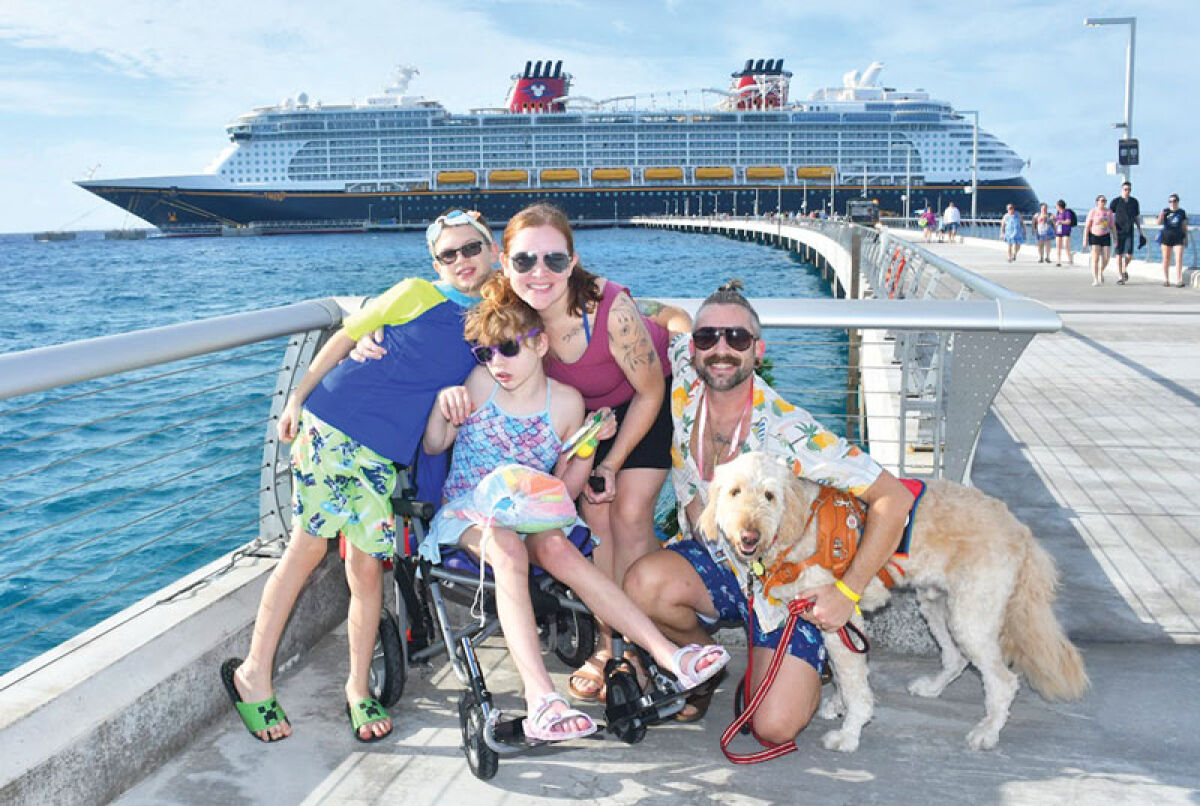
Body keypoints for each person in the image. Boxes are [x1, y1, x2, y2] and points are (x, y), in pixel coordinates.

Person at [220, 209, 499, 743]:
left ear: (492, 251)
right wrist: (296, 399)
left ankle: (355, 687)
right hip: (335, 423)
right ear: (434, 263)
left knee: (368, 571)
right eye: (449, 254)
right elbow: (347, 339)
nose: (461, 261)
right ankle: (255, 673)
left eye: (471, 249)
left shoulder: (496, 313)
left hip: (382, 453)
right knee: (306, 550)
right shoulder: (417, 292)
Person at [420, 276, 729, 741]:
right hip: (471, 512)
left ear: (540, 343)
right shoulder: (481, 384)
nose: (496, 362)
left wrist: (586, 449)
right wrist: (444, 407)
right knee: (506, 548)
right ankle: (541, 698)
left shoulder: (566, 404)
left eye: (508, 348)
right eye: (485, 352)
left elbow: (565, 491)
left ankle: (668, 655)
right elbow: (435, 443)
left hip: (532, 511)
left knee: (562, 552)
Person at [624, 281, 915, 738]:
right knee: (642, 584)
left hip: (783, 585)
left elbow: (894, 498)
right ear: (695, 349)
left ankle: (802, 665)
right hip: (718, 561)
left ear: (757, 350)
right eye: (709, 338)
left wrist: (848, 593)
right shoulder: (685, 377)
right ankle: (703, 668)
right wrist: (604, 299)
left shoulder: (792, 434)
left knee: (772, 727)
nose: (720, 349)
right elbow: (673, 317)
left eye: (736, 339)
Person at [495, 202, 676, 703]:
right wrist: (369, 338)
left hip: (641, 402)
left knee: (632, 514)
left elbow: (650, 391)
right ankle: (608, 643)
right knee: (596, 525)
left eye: (555, 260)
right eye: (525, 260)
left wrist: (614, 462)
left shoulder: (608, 310)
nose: (540, 273)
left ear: (573, 263)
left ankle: (641, 649)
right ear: (504, 262)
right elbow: (448, 325)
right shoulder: (508, 312)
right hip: (581, 425)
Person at [1109, 181, 1143, 285]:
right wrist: (1109, 227)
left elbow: (1137, 217)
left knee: (1129, 254)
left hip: (1129, 231)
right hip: (1118, 231)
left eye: (1129, 190)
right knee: (1119, 254)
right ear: (1121, 190)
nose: (1127, 191)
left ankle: (1124, 268)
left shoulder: (1134, 202)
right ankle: (1120, 276)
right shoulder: (1116, 201)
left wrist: (1140, 230)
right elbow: (1109, 215)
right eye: (1125, 189)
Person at [1083, 195, 1116, 286]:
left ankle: (1100, 271)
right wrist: (1085, 239)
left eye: (1105, 201)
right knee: (1095, 258)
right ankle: (1095, 279)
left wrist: (1115, 239)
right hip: (1094, 235)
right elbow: (1087, 226)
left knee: (1106, 257)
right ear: (1097, 202)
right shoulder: (1093, 212)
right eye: (1101, 200)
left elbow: (1112, 226)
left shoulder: (1109, 212)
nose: (1103, 202)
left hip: (1105, 235)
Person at [1158, 193, 1189, 287]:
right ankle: (1166, 279)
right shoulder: (1165, 211)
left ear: (1178, 202)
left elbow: (1184, 226)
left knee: (1179, 258)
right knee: (1166, 259)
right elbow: (1158, 223)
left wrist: (1186, 238)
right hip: (1166, 237)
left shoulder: (1181, 212)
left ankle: (1179, 280)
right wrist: (1161, 216)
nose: (1172, 203)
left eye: (1174, 201)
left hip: (1178, 238)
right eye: (1170, 201)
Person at [1053, 200, 1076, 267]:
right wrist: (1055, 220)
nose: (1056, 207)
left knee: (1066, 245)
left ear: (1060, 206)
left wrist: (1060, 222)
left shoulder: (1067, 212)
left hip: (1066, 231)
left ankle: (1069, 259)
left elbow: (1068, 221)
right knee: (1058, 246)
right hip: (1059, 231)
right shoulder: (1058, 213)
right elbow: (1057, 221)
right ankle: (1059, 261)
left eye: (1057, 206)